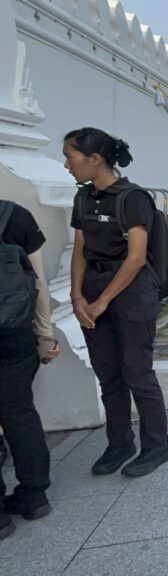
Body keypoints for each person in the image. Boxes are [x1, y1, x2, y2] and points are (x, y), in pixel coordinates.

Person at [66, 127, 168, 478]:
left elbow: (135, 257)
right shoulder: (83, 198)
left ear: (94, 159)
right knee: (108, 375)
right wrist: (77, 296)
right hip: (94, 288)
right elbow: (80, 249)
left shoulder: (132, 198)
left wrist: (102, 302)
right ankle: (119, 443)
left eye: (71, 156)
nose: (67, 164)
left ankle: (158, 444)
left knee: (136, 372)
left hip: (131, 293)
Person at [0, 201, 61, 538]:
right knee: (20, 413)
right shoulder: (13, 215)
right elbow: (38, 284)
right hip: (14, 333)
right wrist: (45, 335)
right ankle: (34, 495)